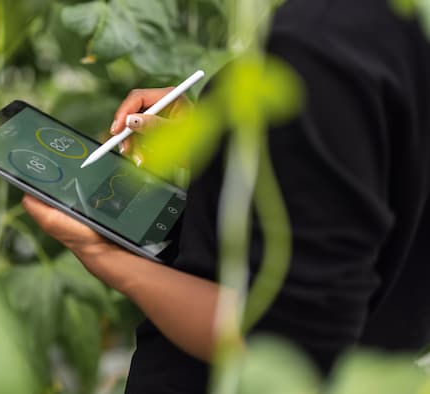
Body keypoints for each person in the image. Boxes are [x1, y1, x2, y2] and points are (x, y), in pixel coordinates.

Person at [23, 0, 430, 392]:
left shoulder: (319, 42)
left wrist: (102, 254)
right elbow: (370, 173)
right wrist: (225, 145)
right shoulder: (404, 22)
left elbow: (289, 347)